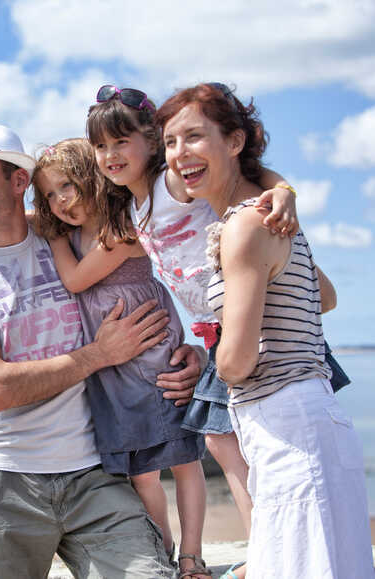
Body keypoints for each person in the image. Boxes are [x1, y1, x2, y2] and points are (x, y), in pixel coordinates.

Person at [0, 123, 204, 578]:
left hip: (98, 471)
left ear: (19, 181)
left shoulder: (72, 239)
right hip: (6, 477)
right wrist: (99, 354)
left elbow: (145, 282)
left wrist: (189, 354)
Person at [157, 83, 374, 578]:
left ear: (234, 142)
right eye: (170, 142)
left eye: (194, 136)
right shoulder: (267, 218)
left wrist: (201, 363)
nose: (178, 154)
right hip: (303, 421)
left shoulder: (246, 225)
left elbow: (235, 362)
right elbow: (327, 296)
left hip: (288, 425)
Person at [86, 84, 302, 579]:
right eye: (101, 147)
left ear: (151, 142)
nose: (111, 155)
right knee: (227, 444)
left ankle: (268, 555)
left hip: (250, 319)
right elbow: (65, 209)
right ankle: (264, 551)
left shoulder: (172, 186)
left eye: (122, 142)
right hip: (214, 335)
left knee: (242, 444)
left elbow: (252, 172)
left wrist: (284, 191)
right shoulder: (134, 211)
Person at [32, 137, 207, 578]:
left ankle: (191, 554)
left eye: (67, 187)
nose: (59, 202)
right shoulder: (70, 231)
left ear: (92, 178)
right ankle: (161, 545)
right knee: (141, 472)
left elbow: (74, 280)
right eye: (49, 195)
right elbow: (18, 220)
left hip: (151, 356)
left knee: (184, 460)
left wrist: (53, 236)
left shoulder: (123, 230)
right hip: (112, 370)